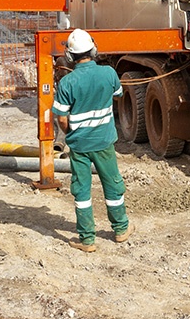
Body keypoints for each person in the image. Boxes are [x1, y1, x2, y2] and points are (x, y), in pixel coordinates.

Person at [52, 28, 134, 252]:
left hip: (79, 145)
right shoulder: (108, 73)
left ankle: (87, 239)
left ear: (70, 56)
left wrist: (71, 133)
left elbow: (61, 117)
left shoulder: (67, 82)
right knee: (112, 183)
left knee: (81, 190)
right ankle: (120, 229)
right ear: (94, 49)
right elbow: (117, 95)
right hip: (104, 141)